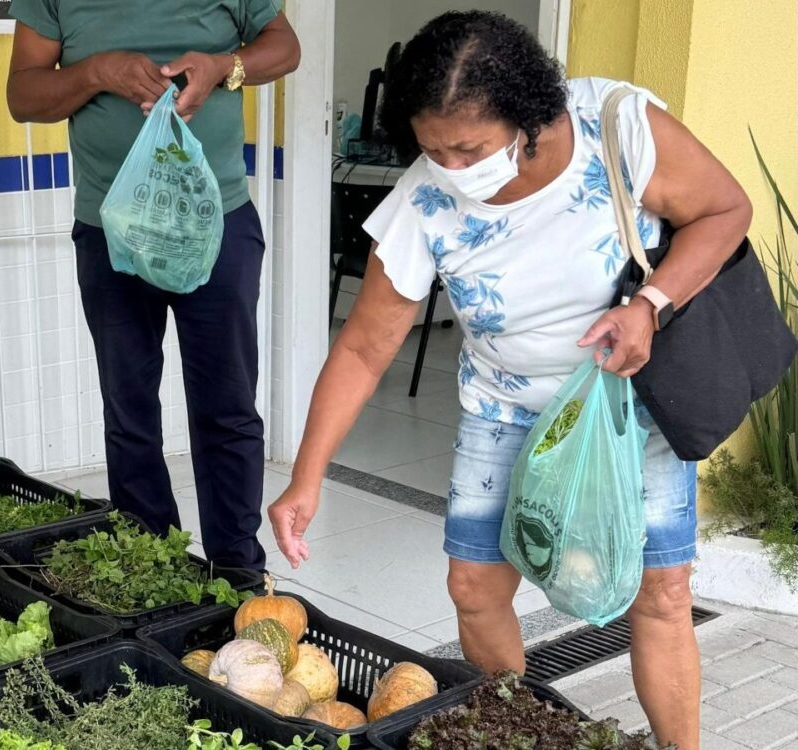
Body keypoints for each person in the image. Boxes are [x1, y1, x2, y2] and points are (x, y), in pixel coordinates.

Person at [268, 12, 751, 750]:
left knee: (661, 593)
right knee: (475, 588)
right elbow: (364, 349)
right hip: (505, 406)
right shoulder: (424, 201)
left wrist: (651, 305)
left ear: (528, 117)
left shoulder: (615, 126)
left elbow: (725, 209)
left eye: (470, 148)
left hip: (628, 407)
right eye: (434, 149)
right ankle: (522, 730)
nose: (453, 170)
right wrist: (307, 479)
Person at [6, 1, 300, 570]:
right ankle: (152, 569)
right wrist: (95, 72)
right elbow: (23, 95)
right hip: (111, 229)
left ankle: (237, 573)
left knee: (227, 406)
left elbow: (283, 44)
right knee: (129, 407)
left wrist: (225, 67)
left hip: (216, 223)